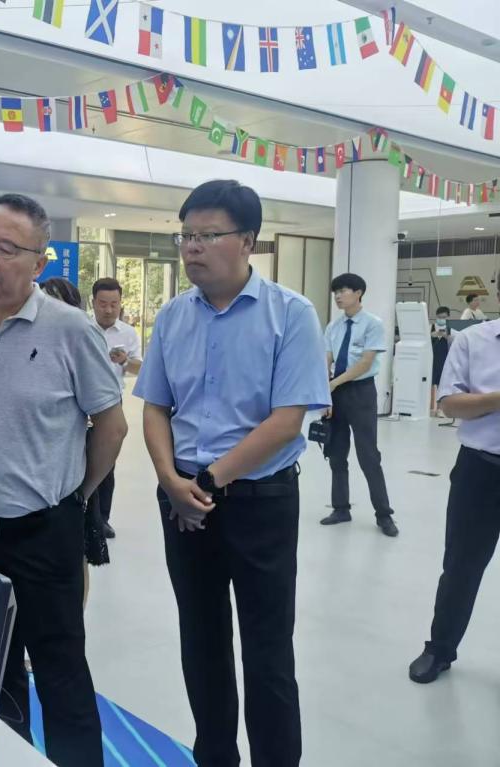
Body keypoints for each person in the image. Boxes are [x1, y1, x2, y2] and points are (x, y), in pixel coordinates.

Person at [135, 179, 330, 767]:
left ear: (247, 240)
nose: (192, 247)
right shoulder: (173, 315)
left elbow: (287, 421)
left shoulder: (291, 314)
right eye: (186, 235)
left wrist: (204, 483)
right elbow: (155, 407)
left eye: (207, 235)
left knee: (267, 653)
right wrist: (170, 481)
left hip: (258, 501)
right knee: (201, 640)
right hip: (182, 498)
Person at [0, 194, 127, 767]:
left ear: (40, 262)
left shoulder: (71, 329)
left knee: (60, 668)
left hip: (44, 532)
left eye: (6, 248)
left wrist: (75, 497)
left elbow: (112, 426)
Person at [409, 280, 500, 683]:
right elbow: (449, 404)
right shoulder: (473, 341)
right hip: (480, 470)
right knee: (461, 565)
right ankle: (440, 648)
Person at [40, 276, 110, 599]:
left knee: (76, 549)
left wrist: (84, 489)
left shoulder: (82, 338)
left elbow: (111, 424)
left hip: (74, 459)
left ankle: (73, 613)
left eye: (55, 302)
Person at [321, 273, 399, 537]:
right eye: (335, 292)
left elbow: (365, 363)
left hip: (361, 393)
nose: (338, 296)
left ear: (358, 293)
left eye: (343, 291)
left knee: (368, 455)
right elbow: (327, 360)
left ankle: (384, 514)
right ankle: (340, 508)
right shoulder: (333, 327)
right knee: (336, 453)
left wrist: (333, 383)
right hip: (335, 394)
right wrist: (325, 392)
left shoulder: (372, 324)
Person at [90, 277, 143, 538]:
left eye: (114, 304)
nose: (109, 310)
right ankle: (80, 516)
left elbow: (139, 368)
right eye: (103, 304)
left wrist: (124, 361)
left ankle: (102, 519)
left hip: (111, 402)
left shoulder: (127, 333)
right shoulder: (82, 327)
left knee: (106, 462)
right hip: (81, 402)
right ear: (93, 303)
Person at [430, 306, 451, 417]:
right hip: (431, 358)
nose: (441, 319)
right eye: (439, 317)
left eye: (444, 317)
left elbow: (454, 342)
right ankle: (429, 408)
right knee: (429, 383)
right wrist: (431, 335)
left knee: (441, 384)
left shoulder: (450, 328)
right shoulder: (431, 327)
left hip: (444, 358)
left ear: (448, 317)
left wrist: (446, 336)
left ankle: (439, 409)